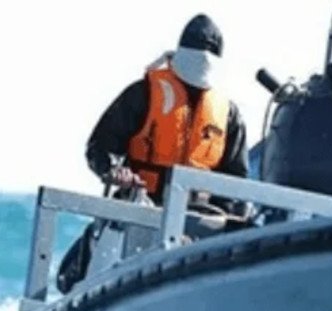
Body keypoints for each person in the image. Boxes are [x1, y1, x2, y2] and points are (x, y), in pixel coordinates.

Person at [84, 13, 249, 206]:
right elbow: (100, 145)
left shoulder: (229, 114)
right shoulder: (143, 93)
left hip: (198, 218)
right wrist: (113, 170)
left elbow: (236, 179)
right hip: (140, 204)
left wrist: (224, 212)